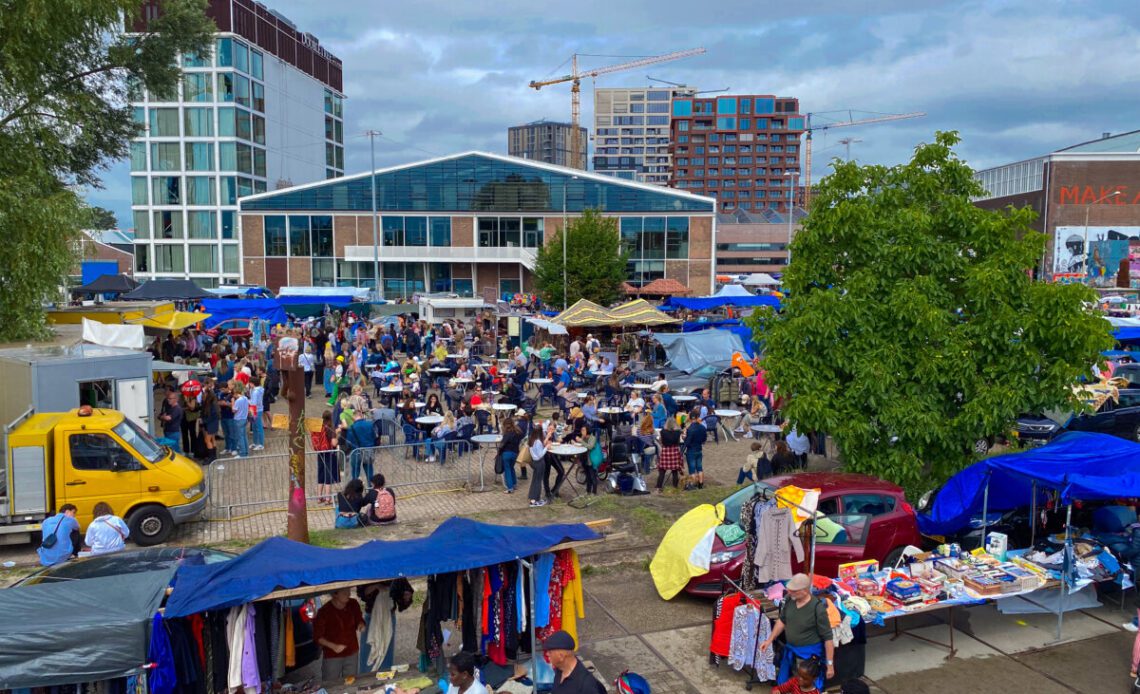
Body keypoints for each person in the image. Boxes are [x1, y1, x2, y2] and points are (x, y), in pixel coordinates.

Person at [759, 573, 834, 691]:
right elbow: (782, 621)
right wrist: (769, 640)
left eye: (793, 591)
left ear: (804, 591)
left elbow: (828, 639)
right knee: (786, 684)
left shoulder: (817, 608)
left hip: (807, 656)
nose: (790, 593)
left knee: (803, 686)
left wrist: (830, 664)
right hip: (791, 650)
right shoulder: (789, 599)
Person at [313, 587, 366, 683]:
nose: (349, 594)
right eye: (345, 593)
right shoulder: (324, 612)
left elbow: (359, 619)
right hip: (332, 656)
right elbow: (317, 637)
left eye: (349, 591)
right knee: (330, 684)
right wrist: (334, 646)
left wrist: (361, 624)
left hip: (352, 651)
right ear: (335, 594)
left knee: (351, 682)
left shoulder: (353, 604)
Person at [527, 425, 554, 507]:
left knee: (535, 481)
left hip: (534, 463)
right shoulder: (538, 441)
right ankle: (534, 501)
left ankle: (533, 498)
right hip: (539, 463)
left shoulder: (531, 440)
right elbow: (540, 455)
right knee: (538, 482)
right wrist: (546, 447)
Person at [346, 409, 377, 481]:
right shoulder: (370, 424)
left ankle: (355, 489)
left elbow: (348, 442)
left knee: (355, 472)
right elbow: (374, 437)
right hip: (368, 450)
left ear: (354, 417)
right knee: (369, 470)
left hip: (356, 451)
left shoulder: (351, 427)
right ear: (361, 415)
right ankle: (370, 487)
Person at [682, 409, 707, 490]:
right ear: (697, 417)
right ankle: (701, 484)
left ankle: (693, 484)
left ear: (690, 417)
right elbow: (704, 439)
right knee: (700, 468)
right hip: (699, 449)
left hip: (691, 451)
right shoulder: (703, 428)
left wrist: (684, 437)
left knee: (692, 470)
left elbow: (687, 442)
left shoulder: (690, 429)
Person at [657, 417, 683, 493]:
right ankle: (675, 486)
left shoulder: (662, 432)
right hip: (674, 451)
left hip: (665, 451)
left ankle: (659, 487)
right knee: (675, 471)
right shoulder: (678, 432)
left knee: (662, 471)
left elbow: (661, 442)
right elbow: (678, 442)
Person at [498, 417, 523, 494]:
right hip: (515, 453)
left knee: (507, 470)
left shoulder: (507, 434)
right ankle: (514, 484)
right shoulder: (517, 432)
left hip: (506, 453)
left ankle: (510, 487)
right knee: (512, 468)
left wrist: (499, 452)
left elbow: (502, 444)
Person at [575, 424, 601, 496]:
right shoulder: (584, 437)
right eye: (581, 430)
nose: (582, 431)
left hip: (591, 460)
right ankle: (588, 491)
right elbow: (582, 446)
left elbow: (590, 447)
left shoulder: (592, 438)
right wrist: (576, 442)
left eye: (583, 430)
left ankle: (594, 492)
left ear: (587, 430)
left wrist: (581, 441)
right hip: (585, 459)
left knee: (592, 476)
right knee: (588, 476)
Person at [230, 381, 250, 457]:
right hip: (244, 419)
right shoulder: (245, 398)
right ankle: (246, 451)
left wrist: (232, 402)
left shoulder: (238, 401)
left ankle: (242, 453)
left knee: (240, 437)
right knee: (244, 436)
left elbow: (234, 410)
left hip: (238, 420)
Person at [249, 376, 266, 451]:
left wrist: (246, 400)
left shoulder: (255, 391)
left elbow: (254, 403)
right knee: (255, 427)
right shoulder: (257, 390)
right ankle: (255, 442)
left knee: (258, 427)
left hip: (256, 410)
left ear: (252, 383)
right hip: (255, 409)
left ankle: (261, 444)